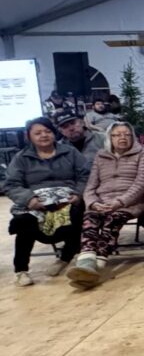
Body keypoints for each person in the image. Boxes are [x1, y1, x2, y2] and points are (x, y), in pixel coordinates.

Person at [66, 122, 144, 287]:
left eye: (126, 134)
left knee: (111, 219)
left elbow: (142, 183)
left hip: (131, 202)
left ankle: (95, 268)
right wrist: (92, 203)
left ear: (132, 137)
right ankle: (87, 264)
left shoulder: (142, 153)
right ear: (110, 138)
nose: (122, 138)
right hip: (101, 202)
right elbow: (90, 186)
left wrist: (119, 202)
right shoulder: (101, 155)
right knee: (90, 219)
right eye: (117, 135)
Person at [6, 117, 88, 285]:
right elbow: (11, 184)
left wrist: (78, 194)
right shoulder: (21, 158)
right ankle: (21, 270)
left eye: (47, 131)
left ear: (54, 133)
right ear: (29, 137)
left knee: (78, 214)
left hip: (67, 197)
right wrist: (29, 199)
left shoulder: (70, 152)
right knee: (24, 222)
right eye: (38, 133)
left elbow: (85, 176)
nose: (44, 135)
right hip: (36, 201)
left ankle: (64, 259)